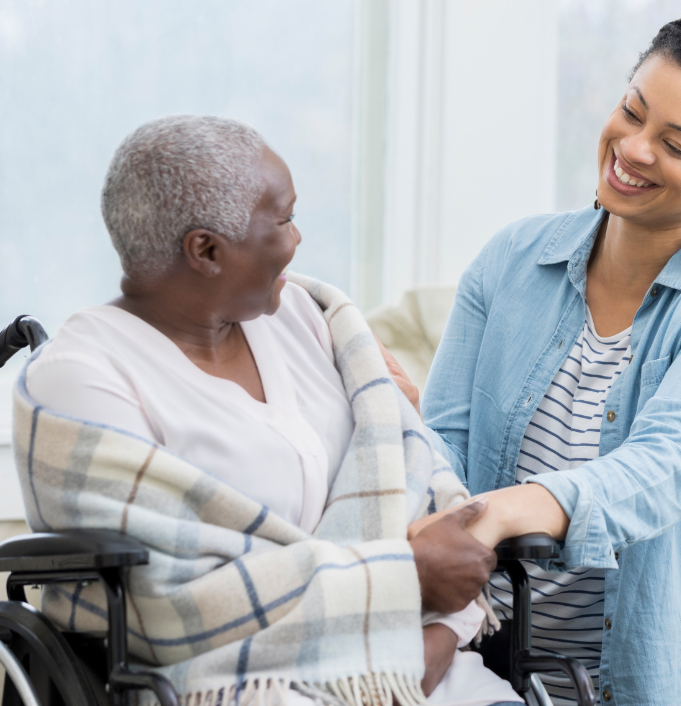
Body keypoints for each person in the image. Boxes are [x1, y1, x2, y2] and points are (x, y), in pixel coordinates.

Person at [22, 115, 521, 705]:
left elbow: (424, 485)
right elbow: (168, 604)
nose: (298, 238)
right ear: (205, 250)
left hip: (426, 672)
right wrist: (403, 577)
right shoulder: (80, 379)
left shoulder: (310, 319)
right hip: (241, 687)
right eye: (283, 219)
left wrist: (437, 636)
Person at [409, 10, 681, 705]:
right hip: (463, 622)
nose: (635, 148)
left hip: (614, 655)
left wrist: (522, 507)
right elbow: (446, 439)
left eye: (678, 146)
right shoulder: (513, 258)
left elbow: (669, 465)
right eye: (633, 111)